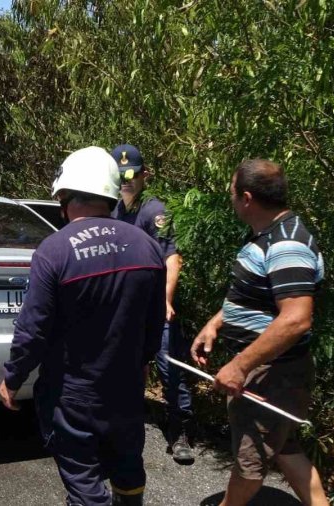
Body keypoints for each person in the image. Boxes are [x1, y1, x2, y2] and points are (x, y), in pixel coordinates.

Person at [0, 146, 166, 506]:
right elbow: (155, 327)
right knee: (127, 466)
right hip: (126, 387)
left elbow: (33, 330)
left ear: (64, 197)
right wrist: (137, 363)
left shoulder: (54, 251)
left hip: (74, 394)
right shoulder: (147, 247)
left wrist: (13, 377)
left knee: (84, 479)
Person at [191, 159, 329, 506]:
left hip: (272, 375)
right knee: (286, 449)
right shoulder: (269, 236)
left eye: (232, 193)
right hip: (273, 373)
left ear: (247, 198)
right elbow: (254, 296)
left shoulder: (286, 245)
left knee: (249, 463)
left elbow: (296, 319)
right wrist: (216, 322)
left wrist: (239, 366)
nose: (231, 200)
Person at [110, 144, 195, 464]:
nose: (126, 181)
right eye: (121, 177)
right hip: (124, 309)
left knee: (169, 368)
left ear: (145, 175)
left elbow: (173, 259)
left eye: (131, 175)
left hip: (154, 308)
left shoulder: (153, 211)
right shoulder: (114, 211)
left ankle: (181, 431)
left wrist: (165, 300)